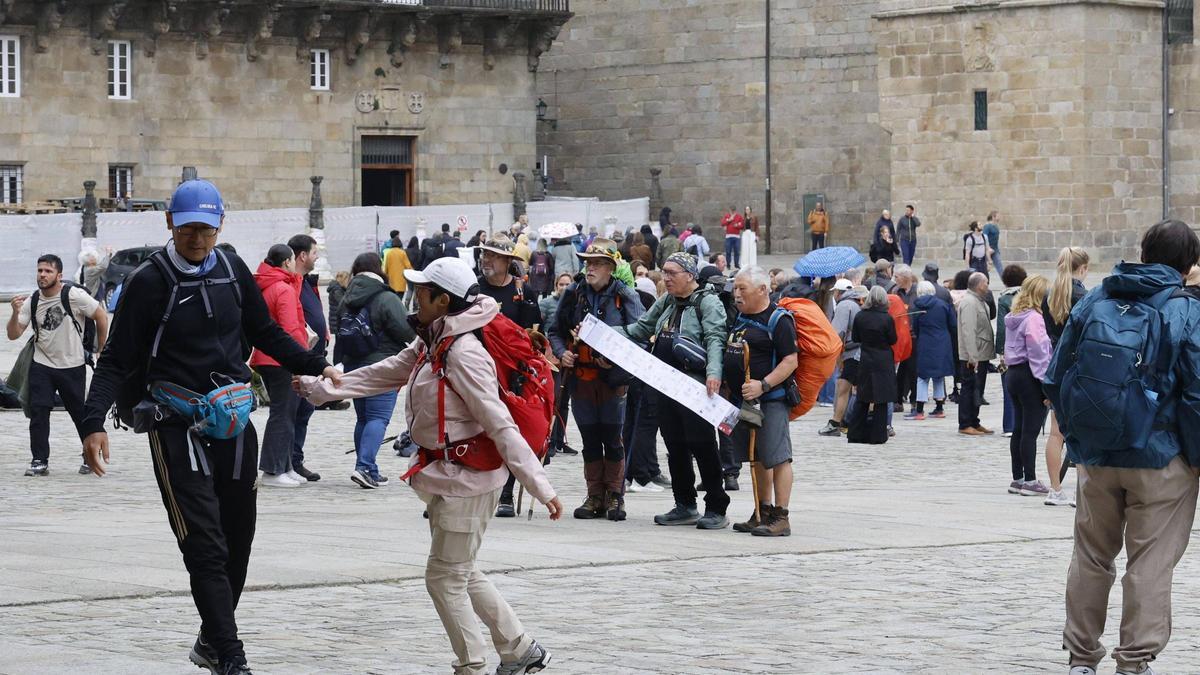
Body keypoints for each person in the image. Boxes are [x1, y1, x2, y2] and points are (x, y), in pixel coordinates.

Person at [80, 179, 340, 675]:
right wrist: (93, 422)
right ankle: (232, 655)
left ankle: (210, 638)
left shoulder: (231, 269)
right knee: (204, 542)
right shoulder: (149, 282)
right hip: (174, 424)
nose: (197, 239)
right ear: (170, 224)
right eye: (187, 229)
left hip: (234, 419)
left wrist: (311, 363)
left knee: (238, 539)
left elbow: (262, 332)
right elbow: (115, 359)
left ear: (220, 225)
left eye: (205, 228)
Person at [296, 256, 564, 675]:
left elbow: (500, 423)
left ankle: (471, 666)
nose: (414, 297)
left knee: (444, 577)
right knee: (460, 569)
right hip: (448, 477)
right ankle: (520, 649)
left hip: (470, 481)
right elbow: (386, 372)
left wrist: (539, 485)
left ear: (444, 299)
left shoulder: (464, 352)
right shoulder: (433, 338)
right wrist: (324, 387)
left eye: (422, 292)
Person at [1044, 220, 1200, 675]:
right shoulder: (1186, 309)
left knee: (1091, 556)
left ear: (1143, 250)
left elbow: (1056, 375)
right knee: (1150, 561)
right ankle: (1133, 661)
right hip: (1162, 457)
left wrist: (1079, 436)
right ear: (1189, 264)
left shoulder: (1097, 297)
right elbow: (1194, 394)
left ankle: (1081, 657)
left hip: (1097, 454)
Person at [619, 252, 729, 529]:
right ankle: (685, 504)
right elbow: (640, 329)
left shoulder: (708, 302)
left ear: (690, 276)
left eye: (672, 273)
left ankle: (716, 506)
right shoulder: (667, 301)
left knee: (702, 444)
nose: (665, 278)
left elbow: (716, 338)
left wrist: (713, 373)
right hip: (664, 384)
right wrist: (601, 333)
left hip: (695, 387)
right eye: (664, 272)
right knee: (675, 445)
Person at [550, 239, 644, 521]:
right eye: (588, 262)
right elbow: (555, 331)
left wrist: (615, 357)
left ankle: (616, 496)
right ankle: (594, 496)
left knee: (613, 438)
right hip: (581, 379)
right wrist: (562, 353)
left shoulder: (626, 296)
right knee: (590, 438)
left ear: (610, 268)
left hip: (613, 380)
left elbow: (639, 336)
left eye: (597, 263)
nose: (589, 268)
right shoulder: (573, 294)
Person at [7, 253, 109, 476]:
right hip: (41, 364)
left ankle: (88, 456)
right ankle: (39, 460)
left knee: (79, 413)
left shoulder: (73, 295)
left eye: (48, 271)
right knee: (39, 412)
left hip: (72, 365)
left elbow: (101, 316)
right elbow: (14, 334)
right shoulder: (33, 300)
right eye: (40, 270)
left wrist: (102, 350)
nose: (42, 275)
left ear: (59, 275)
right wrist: (15, 314)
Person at [726, 266, 798, 536]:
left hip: (771, 401)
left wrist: (763, 385)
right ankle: (761, 511)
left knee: (778, 457)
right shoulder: (740, 318)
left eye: (742, 289)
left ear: (762, 290)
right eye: (735, 289)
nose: (736, 294)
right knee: (756, 458)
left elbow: (791, 360)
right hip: (744, 402)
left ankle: (781, 516)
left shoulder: (779, 320)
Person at [335, 252, 416, 489]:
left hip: (353, 363)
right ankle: (364, 467)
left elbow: (338, 327)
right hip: (382, 365)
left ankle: (369, 467)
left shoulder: (346, 297)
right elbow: (405, 331)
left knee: (363, 418)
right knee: (378, 418)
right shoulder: (385, 297)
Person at [476, 234, 540, 516]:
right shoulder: (472, 289)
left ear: (507, 261)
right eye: (484, 254)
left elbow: (533, 334)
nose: (486, 260)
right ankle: (466, 492)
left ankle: (506, 492)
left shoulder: (523, 293)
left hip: (511, 374)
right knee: (473, 430)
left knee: (509, 431)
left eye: (492, 255)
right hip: (476, 368)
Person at [249, 244, 310, 488]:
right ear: (287, 262)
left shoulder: (269, 284)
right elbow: (289, 328)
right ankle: (273, 470)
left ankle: (284, 466)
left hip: (268, 357)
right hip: (280, 358)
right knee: (283, 414)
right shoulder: (282, 288)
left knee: (287, 412)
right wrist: (301, 358)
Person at [1042, 246, 1090, 506]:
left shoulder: (1049, 295)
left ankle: (1055, 489)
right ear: (1082, 268)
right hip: (1078, 368)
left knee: (1055, 433)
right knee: (1082, 432)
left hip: (1056, 367)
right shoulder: (1084, 295)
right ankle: (1082, 492)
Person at [1002, 274, 1051, 497]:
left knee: (1019, 428)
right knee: (1030, 430)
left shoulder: (1014, 315)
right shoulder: (1034, 318)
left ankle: (1017, 477)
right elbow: (1038, 350)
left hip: (1012, 373)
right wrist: (1045, 382)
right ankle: (1030, 480)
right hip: (1029, 374)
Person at [287, 234, 327, 479]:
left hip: (313, 358)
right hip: (300, 359)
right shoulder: (293, 284)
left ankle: (294, 459)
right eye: (314, 252)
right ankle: (288, 462)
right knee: (294, 413)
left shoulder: (306, 283)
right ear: (302, 255)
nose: (317, 256)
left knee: (303, 413)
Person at [847, 286, 896, 444]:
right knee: (881, 399)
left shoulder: (860, 316)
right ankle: (878, 435)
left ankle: (855, 433)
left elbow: (855, 337)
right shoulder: (887, 318)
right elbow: (892, 339)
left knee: (863, 397)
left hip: (866, 358)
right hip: (883, 359)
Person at [818, 284, 866, 436]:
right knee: (852, 388)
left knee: (843, 387)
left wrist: (834, 354)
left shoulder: (845, 305)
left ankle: (836, 423)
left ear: (838, 292)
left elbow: (837, 333)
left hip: (852, 353)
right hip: (858, 352)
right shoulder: (855, 304)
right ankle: (846, 421)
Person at [908, 280, 955, 420]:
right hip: (942, 341)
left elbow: (915, 326)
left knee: (922, 377)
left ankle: (920, 410)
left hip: (925, 342)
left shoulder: (917, 307)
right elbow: (952, 323)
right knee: (939, 376)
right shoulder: (943, 305)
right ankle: (940, 408)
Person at [957, 272, 995, 436]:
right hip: (973, 356)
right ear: (979, 285)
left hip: (982, 354)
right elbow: (968, 331)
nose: (988, 285)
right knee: (969, 388)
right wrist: (973, 357)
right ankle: (965, 423)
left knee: (978, 389)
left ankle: (974, 421)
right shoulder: (969, 303)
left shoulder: (979, 301)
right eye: (986, 282)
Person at [994, 264, 1028, 437]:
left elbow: (1002, 328)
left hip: (1011, 348)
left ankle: (1009, 426)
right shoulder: (1029, 296)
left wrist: (1000, 351)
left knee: (1009, 388)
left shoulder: (1004, 299)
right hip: (1029, 347)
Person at [890, 265, 918, 411]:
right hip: (899, 336)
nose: (895, 280)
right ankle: (897, 399)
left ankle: (915, 400)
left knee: (913, 369)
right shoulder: (895, 291)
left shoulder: (917, 291)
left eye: (897, 277)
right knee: (899, 370)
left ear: (906, 277)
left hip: (913, 336)